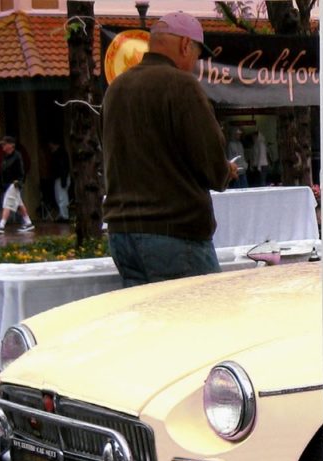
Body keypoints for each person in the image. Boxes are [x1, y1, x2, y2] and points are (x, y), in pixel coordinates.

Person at [102, 11, 237, 287]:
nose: (195, 63)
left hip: (122, 233)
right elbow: (210, 161)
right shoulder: (181, 85)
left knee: (150, 326)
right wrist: (226, 171)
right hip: (175, 231)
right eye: (197, 55)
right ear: (186, 45)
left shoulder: (116, 88)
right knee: (200, 322)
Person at [0, 136, 35, 234]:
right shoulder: (6, 156)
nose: (2, 146)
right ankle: (28, 222)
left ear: (11, 145)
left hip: (14, 183)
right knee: (19, 204)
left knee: (7, 203)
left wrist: (19, 182)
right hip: (7, 183)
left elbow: (21, 171)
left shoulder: (17, 155)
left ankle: (1, 225)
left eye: (4, 144)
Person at [48, 140, 70, 222]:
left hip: (61, 177)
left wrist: (63, 179)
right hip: (58, 178)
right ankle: (62, 214)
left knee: (62, 197)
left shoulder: (60, 154)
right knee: (59, 197)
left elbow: (63, 167)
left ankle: (65, 216)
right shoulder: (58, 153)